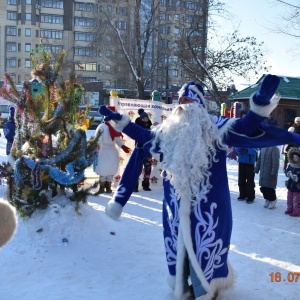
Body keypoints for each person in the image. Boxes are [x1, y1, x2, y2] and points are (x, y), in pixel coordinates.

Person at [100, 75, 300, 300]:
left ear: (201, 107)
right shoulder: (168, 132)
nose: (185, 107)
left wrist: (260, 104)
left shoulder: (217, 129)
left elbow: (247, 127)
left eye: (191, 102)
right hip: (175, 210)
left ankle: (206, 290)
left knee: (204, 252)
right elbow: (144, 137)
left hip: (209, 210)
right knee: (179, 250)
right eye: (182, 102)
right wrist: (123, 123)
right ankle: (183, 288)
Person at [94, 106, 130, 195]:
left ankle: (108, 186)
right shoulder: (101, 127)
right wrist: (97, 148)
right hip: (103, 150)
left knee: (111, 169)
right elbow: (98, 139)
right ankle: (102, 186)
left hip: (112, 150)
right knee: (103, 168)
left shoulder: (115, 127)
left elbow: (117, 139)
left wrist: (123, 146)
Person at [134, 109, 153, 192]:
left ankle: (146, 184)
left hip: (148, 152)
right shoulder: (137, 128)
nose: (145, 120)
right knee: (137, 168)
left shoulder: (150, 128)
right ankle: (135, 185)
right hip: (139, 151)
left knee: (148, 168)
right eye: (144, 118)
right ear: (141, 119)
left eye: (146, 118)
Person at [284, 148, 300, 217]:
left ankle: (296, 211)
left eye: (296, 157)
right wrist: (288, 173)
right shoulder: (291, 165)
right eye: (293, 157)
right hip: (290, 185)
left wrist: (297, 178)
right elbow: (287, 171)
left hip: (297, 186)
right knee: (289, 198)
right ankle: (290, 209)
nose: (294, 158)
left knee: (296, 199)